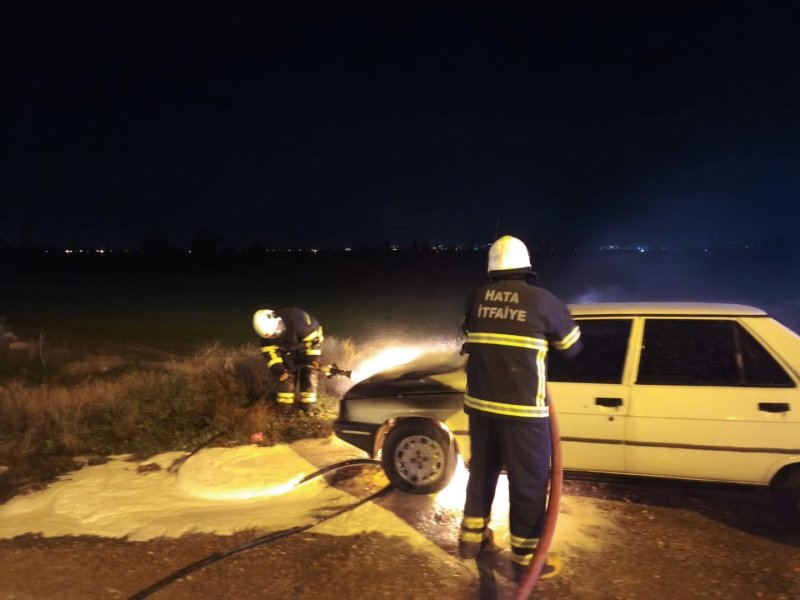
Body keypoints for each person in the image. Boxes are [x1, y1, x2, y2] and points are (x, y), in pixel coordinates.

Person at [458, 235, 582, 580]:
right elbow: (572, 348)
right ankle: (527, 558)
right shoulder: (544, 302)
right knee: (527, 484)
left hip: (481, 408)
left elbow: (474, 336)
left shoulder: (475, 298)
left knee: (481, 474)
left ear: (491, 270)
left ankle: (471, 540)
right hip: (524, 412)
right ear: (527, 268)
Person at [252, 307, 324, 413]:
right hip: (289, 349)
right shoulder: (266, 337)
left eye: (277, 331)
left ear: (278, 320)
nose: (277, 335)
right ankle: (285, 410)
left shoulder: (297, 322)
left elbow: (314, 342)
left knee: (308, 373)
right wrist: (279, 370)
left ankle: (308, 408)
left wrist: (313, 359)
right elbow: (271, 355)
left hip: (308, 344)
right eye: (272, 336)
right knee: (286, 377)